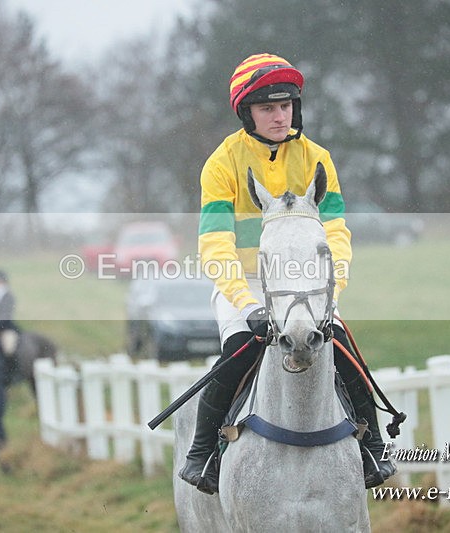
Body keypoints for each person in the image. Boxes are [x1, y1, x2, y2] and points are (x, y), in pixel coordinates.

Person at [178, 53, 395, 494]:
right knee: (239, 348)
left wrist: (332, 292)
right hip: (247, 284)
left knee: (341, 345)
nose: (279, 116)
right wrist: (247, 304)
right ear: (247, 112)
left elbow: (335, 232)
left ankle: (372, 447)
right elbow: (215, 245)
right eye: (267, 108)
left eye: (286, 106)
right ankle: (202, 453)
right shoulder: (221, 164)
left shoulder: (318, 158)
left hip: (311, 283)